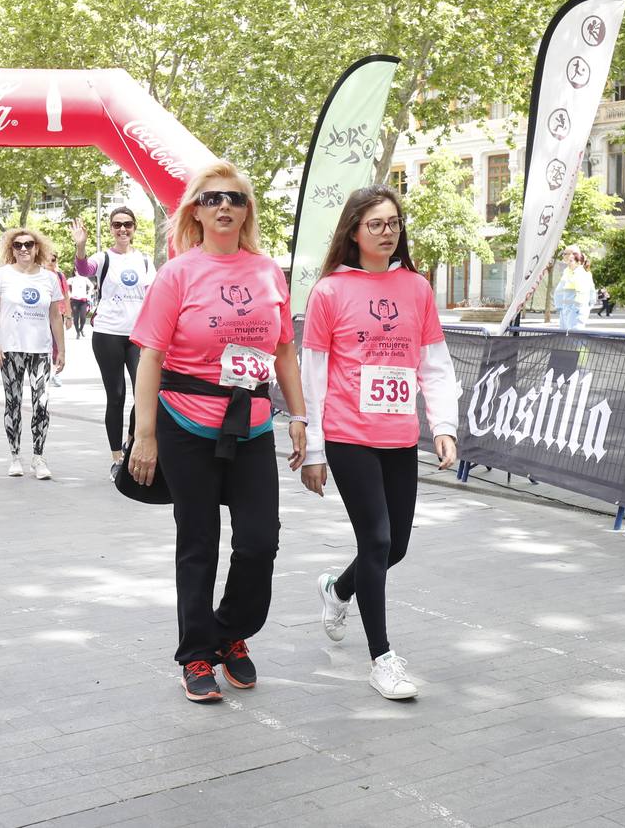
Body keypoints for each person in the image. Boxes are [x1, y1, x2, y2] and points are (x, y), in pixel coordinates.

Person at [129, 161, 308, 704]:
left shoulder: (268, 271)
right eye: (211, 199)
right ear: (195, 212)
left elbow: (282, 352)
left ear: (248, 209)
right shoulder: (177, 273)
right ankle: (197, 653)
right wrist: (145, 435)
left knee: (259, 541)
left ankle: (230, 631)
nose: (224, 206)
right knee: (199, 541)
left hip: (251, 424)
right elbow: (151, 356)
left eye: (235, 198)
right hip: (185, 422)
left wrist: (300, 419)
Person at [300, 185, 458, 701]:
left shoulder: (417, 288)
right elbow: (315, 374)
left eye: (394, 223)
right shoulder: (329, 292)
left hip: (398, 436)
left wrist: (444, 426)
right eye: (376, 224)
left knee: (397, 545)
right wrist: (317, 448)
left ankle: (338, 588)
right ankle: (382, 658)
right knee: (375, 540)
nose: (388, 232)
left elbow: (434, 363)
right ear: (354, 231)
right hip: (348, 434)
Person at [73, 209, 155, 477]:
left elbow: (154, 296)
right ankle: (117, 457)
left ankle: (131, 440)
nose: (123, 229)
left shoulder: (144, 260)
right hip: (108, 333)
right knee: (116, 395)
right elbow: (84, 270)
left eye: (127, 225)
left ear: (134, 228)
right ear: (111, 229)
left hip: (138, 336)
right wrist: (81, 246)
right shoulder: (103, 257)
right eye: (117, 225)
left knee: (144, 394)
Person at [0, 227, 65, 479]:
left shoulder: (49, 278)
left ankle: (38, 458)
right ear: (11, 248)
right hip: (10, 349)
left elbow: (55, 316)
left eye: (28, 244)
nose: (23, 249)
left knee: (42, 404)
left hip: (40, 350)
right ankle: (15, 456)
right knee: (14, 403)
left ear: (37, 248)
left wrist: (61, 349)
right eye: (18, 245)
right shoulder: (0, 276)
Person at [553, 245, 595, 331]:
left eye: (564, 254)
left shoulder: (581, 273)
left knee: (575, 336)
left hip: (576, 311)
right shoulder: (567, 271)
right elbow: (560, 290)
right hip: (566, 309)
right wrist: (560, 306)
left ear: (572, 256)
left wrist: (577, 308)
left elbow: (584, 292)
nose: (563, 256)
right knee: (566, 337)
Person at [45, 252, 70, 388]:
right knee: (43, 344)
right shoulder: (38, 275)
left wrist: (69, 316)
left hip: (57, 314)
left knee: (55, 345)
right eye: (47, 259)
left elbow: (66, 296)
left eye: (53, 259)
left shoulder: (59, 276)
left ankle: (55, 372)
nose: (50, 262)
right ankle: (44, 372)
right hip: (41, 315)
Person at [67, 269, 93, 339]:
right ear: (74, 272)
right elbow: (65, 286)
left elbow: (91, 286)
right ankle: (77, 332)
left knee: (83, 317)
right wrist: (69, 294)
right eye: (75, 270)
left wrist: (89, 294)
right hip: (74, 300)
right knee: (75, 318)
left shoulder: (85, 279)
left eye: (78, 270)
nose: (77, 272)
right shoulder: (71, 279)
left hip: (83, 300)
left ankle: (81, 329)